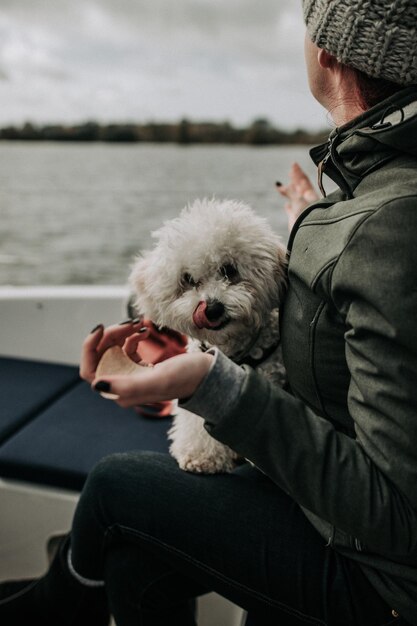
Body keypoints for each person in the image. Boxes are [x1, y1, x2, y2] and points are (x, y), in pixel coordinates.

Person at [1, 0, 417, 624]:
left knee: (116, 485)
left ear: (330, 50)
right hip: (328, 510)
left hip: (380, 585)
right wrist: (308, 218)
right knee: (136, 562)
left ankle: (53, 605)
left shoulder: (389, 220)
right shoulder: (376, 188)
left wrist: (210, 385)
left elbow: (396, 513)